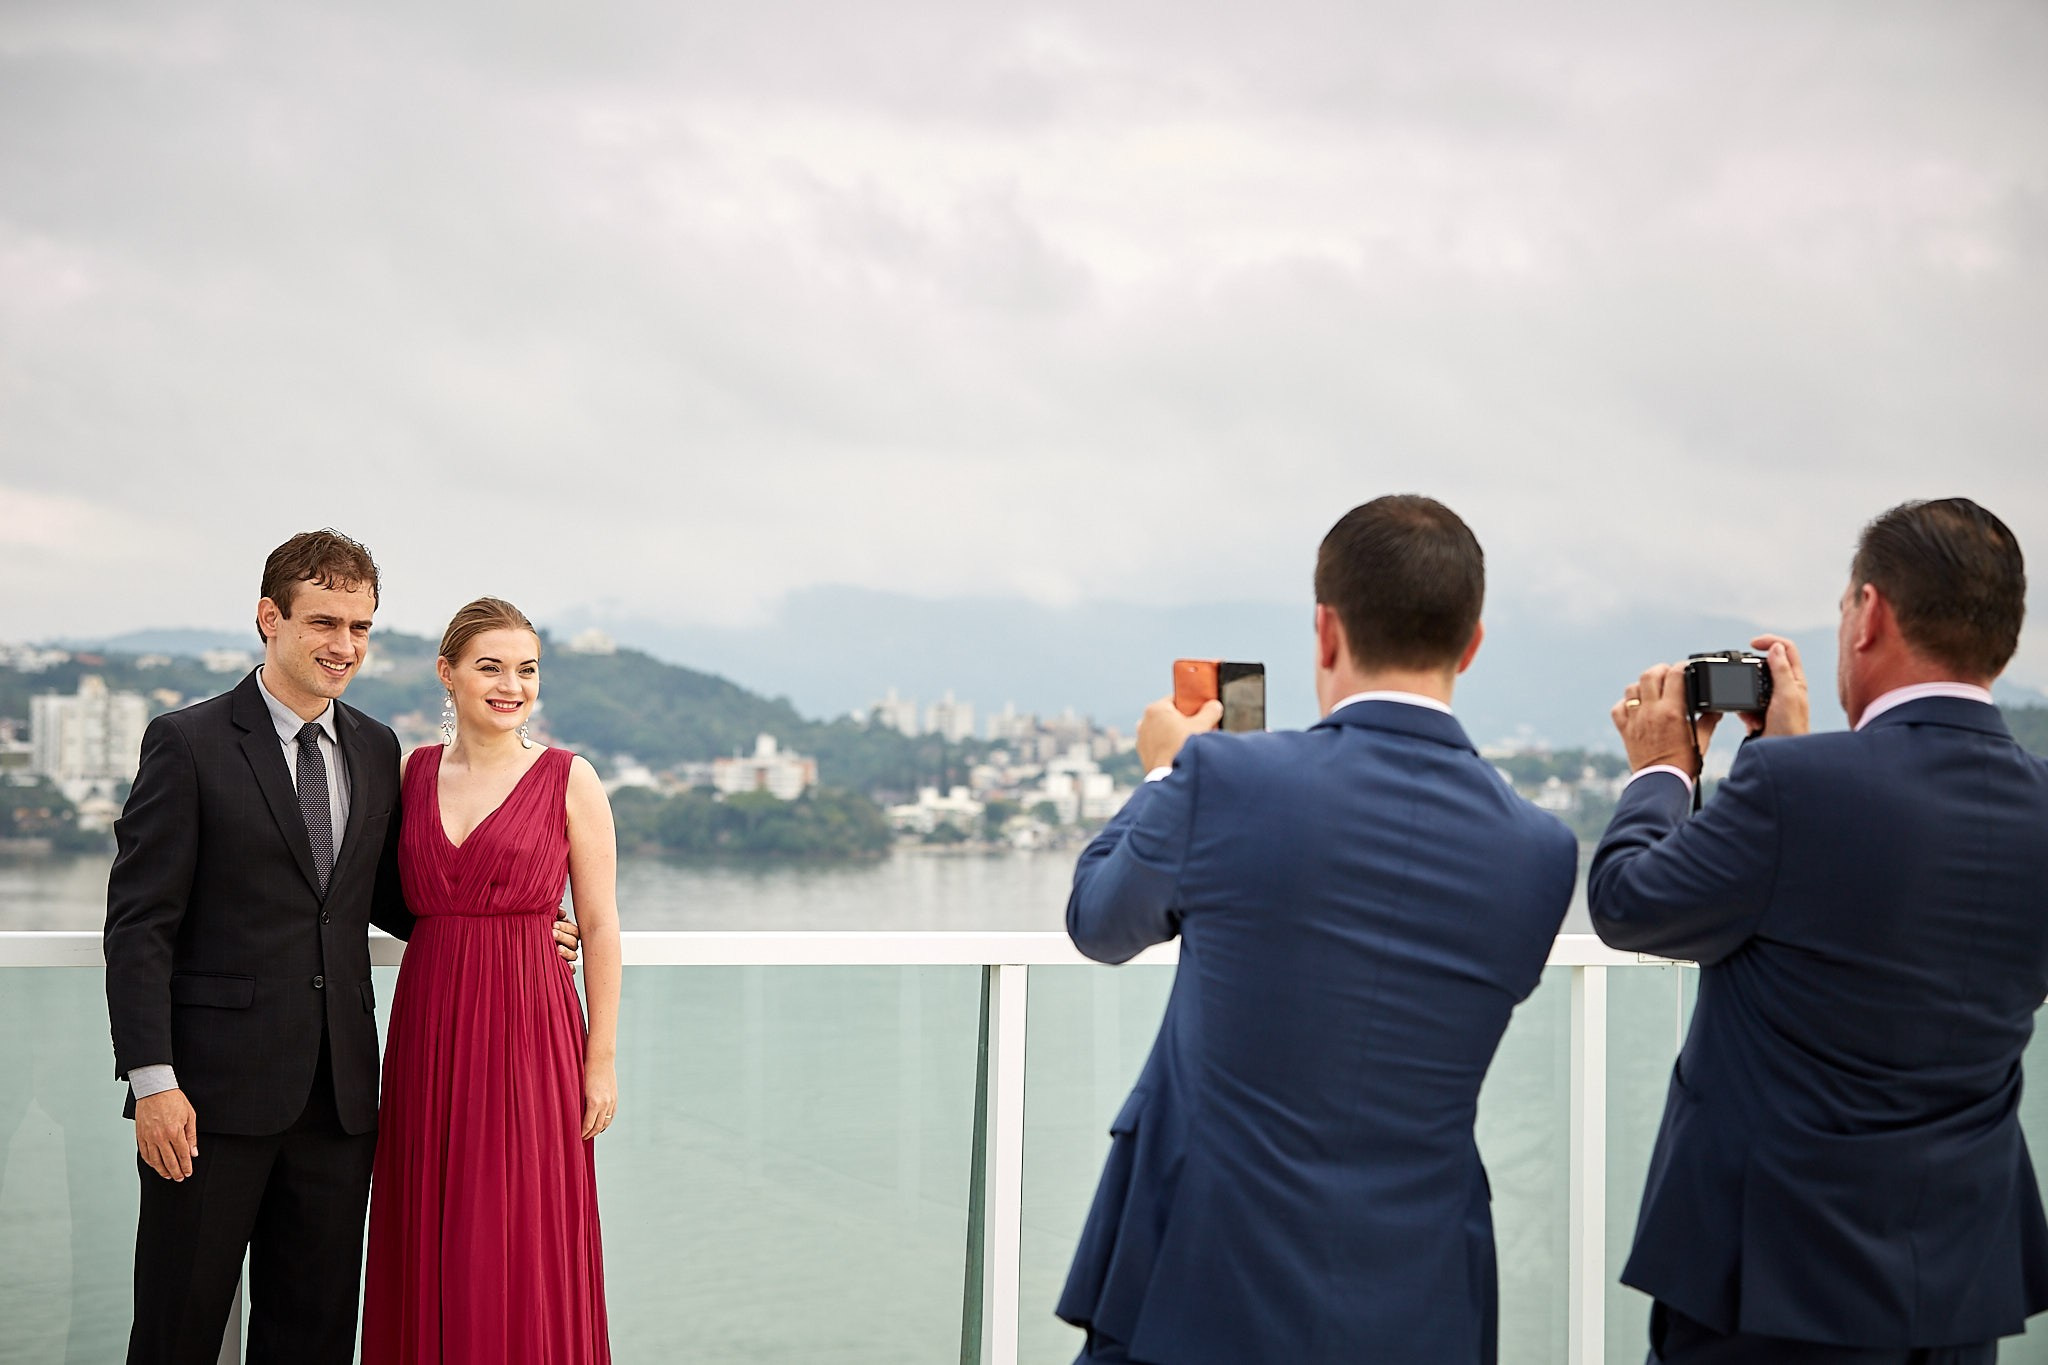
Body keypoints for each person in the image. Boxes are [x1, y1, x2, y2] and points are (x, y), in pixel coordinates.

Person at [1055, 495, 1579, 1364]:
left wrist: (1161, 771)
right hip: (1422, 1302)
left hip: (1198, 1286)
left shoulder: (1223, 777)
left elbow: (1099, 920)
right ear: (1473, 643)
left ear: (1325, 632)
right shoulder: (1541, 851)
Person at [103, 531, 582, 1365]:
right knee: (177, 1331)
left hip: (343, 1106)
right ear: (269, 617)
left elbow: (392, 894)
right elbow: (140, 925)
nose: (344, 646)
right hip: (209, 1102)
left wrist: (521, 920)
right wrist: (154, 1081)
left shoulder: (373, 746)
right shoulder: (188, 741)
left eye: (360, 626)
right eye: (325, 621)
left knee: (313, 1337)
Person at [1591, 497, 2048, 1364]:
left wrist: (1661, 771)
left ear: (1870, 612)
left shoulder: (1797, 791)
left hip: (1775, 1284)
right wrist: (1786, 758)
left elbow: (1625, 899)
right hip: (1954, 1286)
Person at [361, 597, 622, 1365]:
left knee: (519, 1224)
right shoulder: (410, 772)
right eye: (491, 667)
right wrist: (488, 920)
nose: (512, 684)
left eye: (527, 669)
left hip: (532, 1028)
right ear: (448, 673)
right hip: (430, 1022)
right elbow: (374, 893)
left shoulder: (570, 778)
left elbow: (602, 926)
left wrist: (599, 1058)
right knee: (428, 1220)